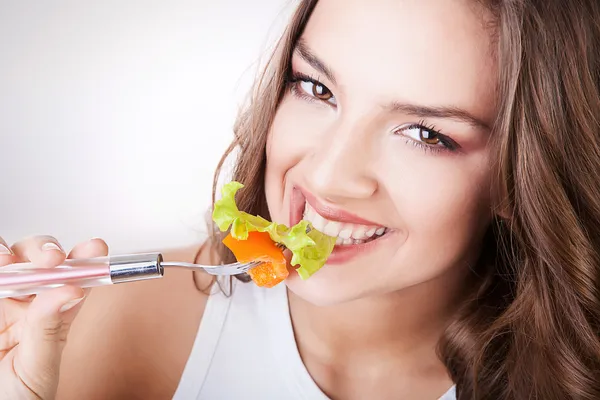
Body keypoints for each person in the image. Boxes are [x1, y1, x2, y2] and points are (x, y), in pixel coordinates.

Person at [1, 0, 599, 398]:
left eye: (425, 134)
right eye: (315, 88)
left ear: (522, 176)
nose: (329, 173)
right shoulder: (117, 329)